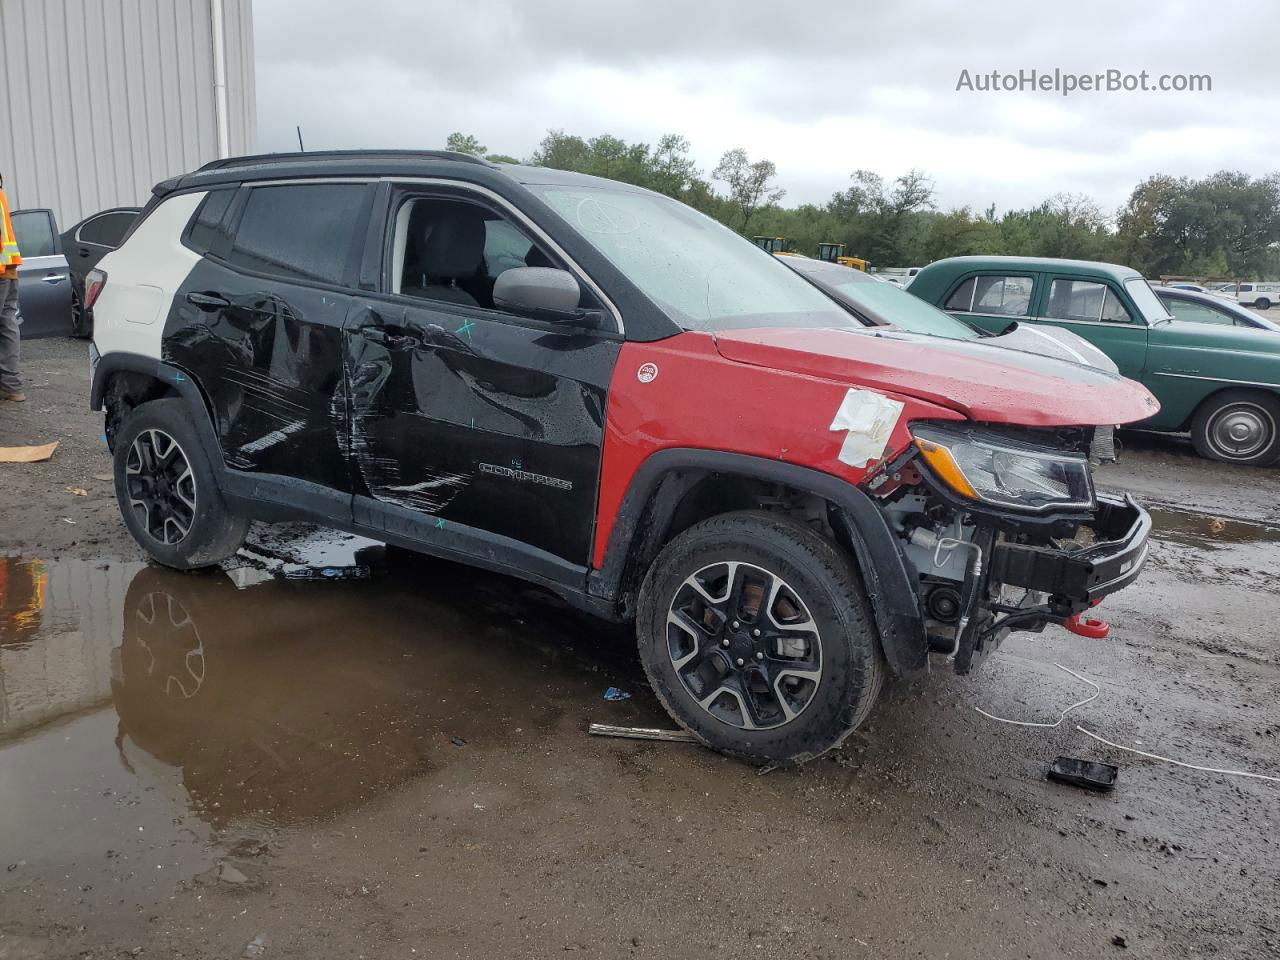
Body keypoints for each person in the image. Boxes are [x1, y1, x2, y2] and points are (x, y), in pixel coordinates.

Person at [0, 171, 26, 402]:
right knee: (7, 326)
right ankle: (12, 386)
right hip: (8, 268)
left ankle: (11, 386)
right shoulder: (0, 194)